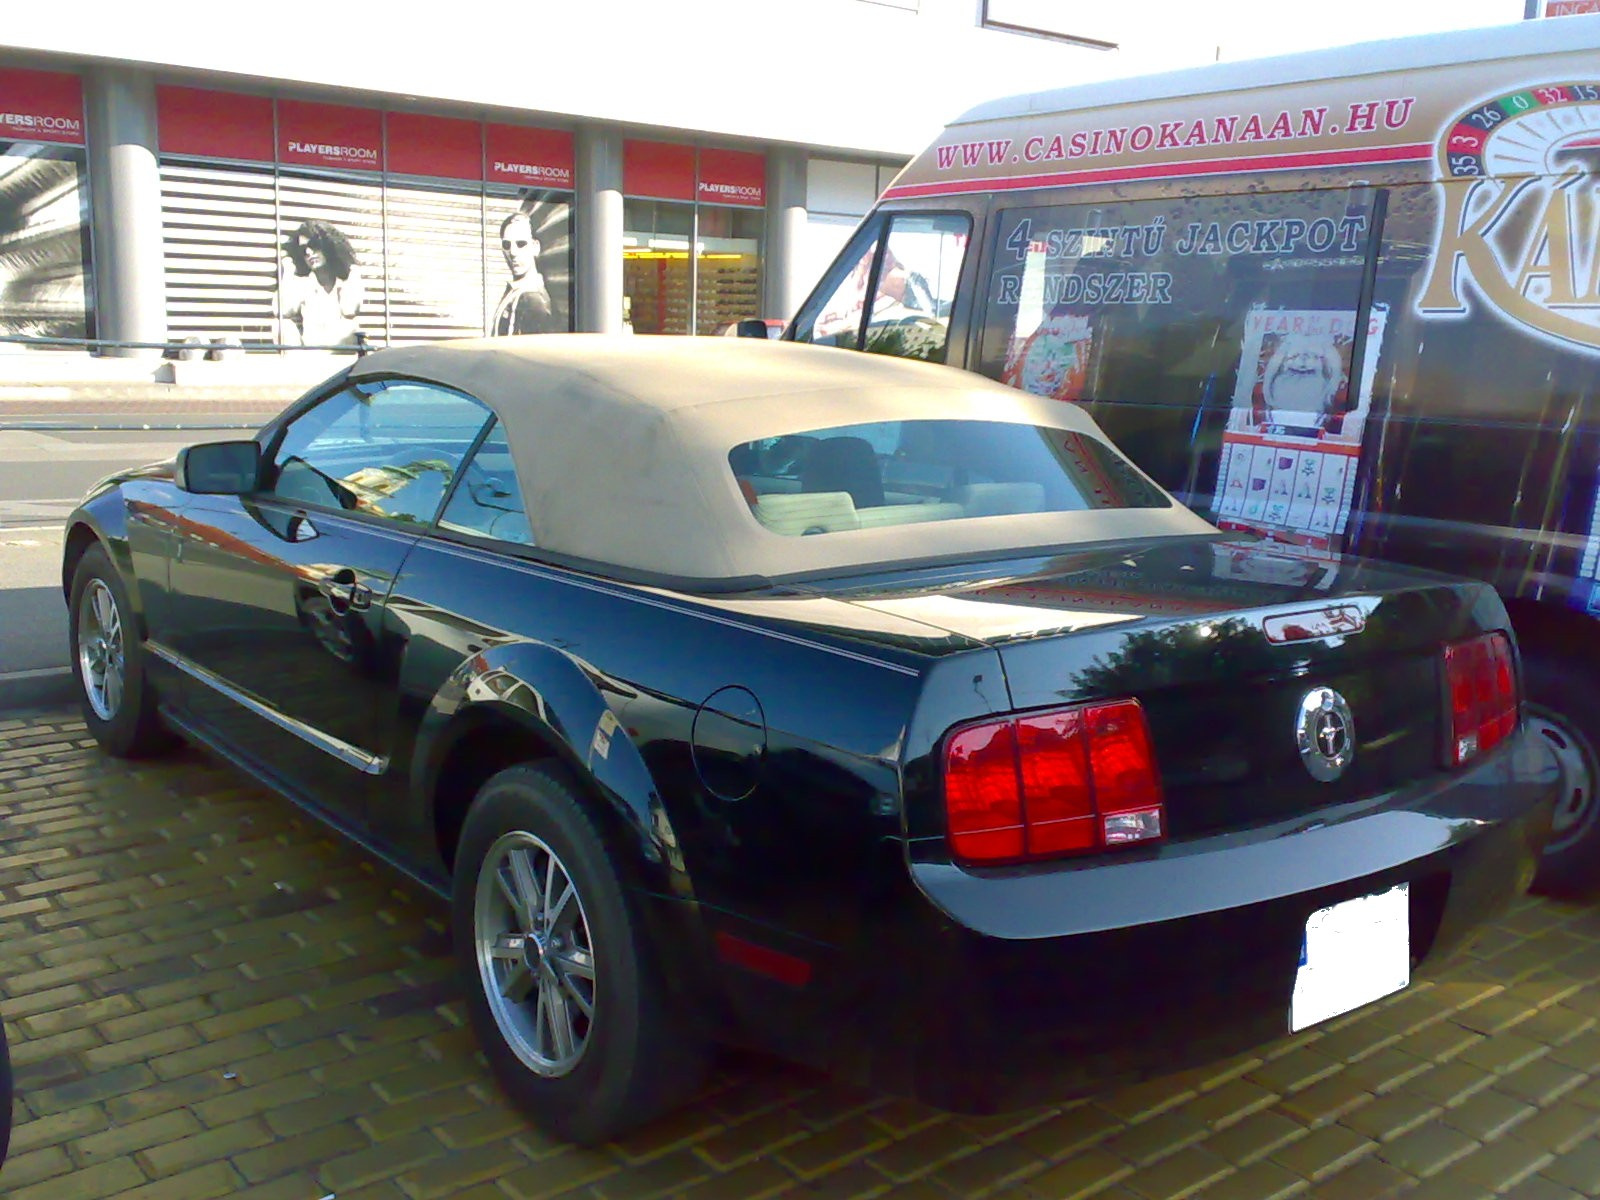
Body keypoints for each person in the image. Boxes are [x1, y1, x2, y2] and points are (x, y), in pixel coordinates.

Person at [279, 220, 365, 348]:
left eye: (314, 245)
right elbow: (283, 311)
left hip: (343, 357)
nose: (308, 252)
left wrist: (354, 273)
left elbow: (349, 310)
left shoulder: (345, 281)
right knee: (282, 325)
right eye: (303, 250)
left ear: (327, 246)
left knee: (349, 324)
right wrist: (288, 269)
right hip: (313, 357)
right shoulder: (304, 284)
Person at [492, 212, 558, 336]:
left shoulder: (533, 300)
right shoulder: (516, 291)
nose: (512, 252)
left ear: (535, 247)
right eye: (506, 245)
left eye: (521, 244)